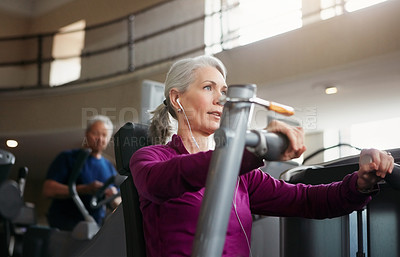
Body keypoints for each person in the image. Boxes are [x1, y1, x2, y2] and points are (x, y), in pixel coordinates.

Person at [130, 55, 394, 257]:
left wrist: (360, 184)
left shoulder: (243, 176)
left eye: (223, 92)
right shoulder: (150, 159)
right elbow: (162, 181)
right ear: (177, 99)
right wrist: (244, 154)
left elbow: (306, 200)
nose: (220, 100)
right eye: (208, 88)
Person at [43, 115, 121, 231]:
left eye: (104, 135)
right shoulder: (68, 158)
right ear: (86, 134)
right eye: (96, 133)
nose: (100, 138)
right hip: (64, 229)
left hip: (94, 230)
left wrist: (113, 198)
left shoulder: (109, 167)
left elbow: (119, 202)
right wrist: (84, 189)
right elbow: (48, 190)